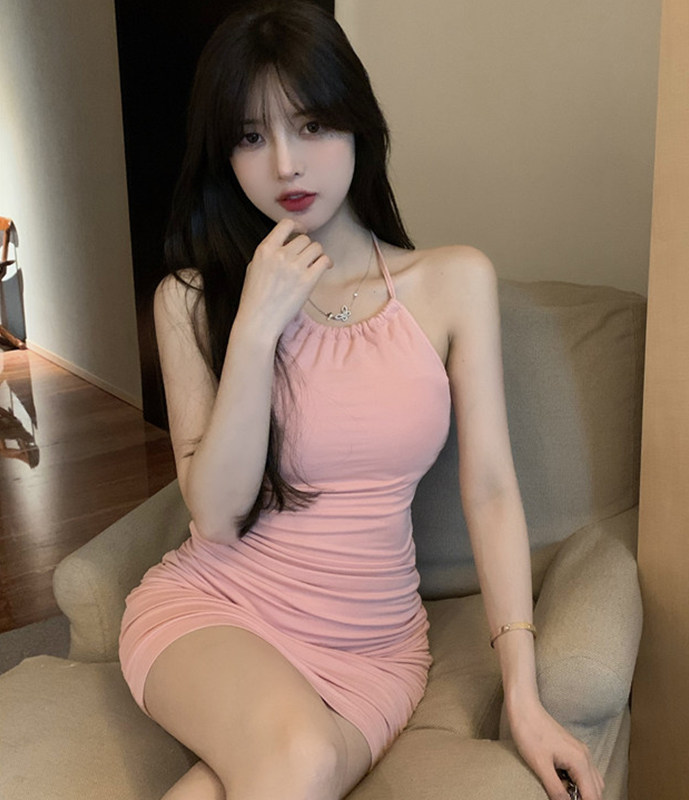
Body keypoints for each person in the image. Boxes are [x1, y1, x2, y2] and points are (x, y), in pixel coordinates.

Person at [118, 2, 604, 799]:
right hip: (219, 608)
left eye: (310, 125)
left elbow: (490, 490)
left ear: (356, 125)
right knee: (299, 762)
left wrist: (523, 694)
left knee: (252, 776)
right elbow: (217, 514)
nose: (286, 165)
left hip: (374, 656)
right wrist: (256, 325)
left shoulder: (453, 281)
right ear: (223, 155)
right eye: (251, 136)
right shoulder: (190, 300)